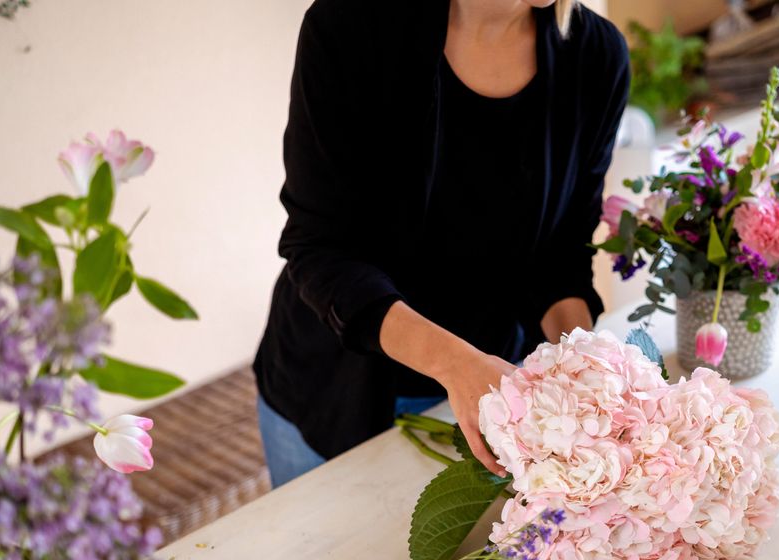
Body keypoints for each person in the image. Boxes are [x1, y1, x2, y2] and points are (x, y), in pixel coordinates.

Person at [253, 0, 630, 488]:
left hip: (495, 389)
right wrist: (458, 367)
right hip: (336, 389)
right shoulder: (347, 26)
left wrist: (585, 371)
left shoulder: (596, 56)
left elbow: (560, 256)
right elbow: (320, 249)